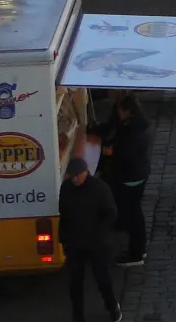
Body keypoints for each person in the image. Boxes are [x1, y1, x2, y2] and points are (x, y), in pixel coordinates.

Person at [89, 93, 152, 267]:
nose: (118, 113)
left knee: (132, 213)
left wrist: (111, 153)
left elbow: (127, 156)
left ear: (127, 111)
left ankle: (136, 253)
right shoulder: (134, 126)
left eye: (120, 110)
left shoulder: (133, 131)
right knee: (134, 212)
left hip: (130, 177)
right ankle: (139, 248)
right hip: (137, 174)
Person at [59, 156, 121, 322]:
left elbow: (111, 214)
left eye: (77, 175)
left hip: (97, 244)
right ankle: (78, 315)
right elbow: (64, 215)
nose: (74, 179)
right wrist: (64, 239)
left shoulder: (100, 188)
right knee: (75, 283)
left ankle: (112, 307)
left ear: (85, 172)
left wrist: (98, 234)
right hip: (75, 243)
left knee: (102, 279)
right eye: (71, 176)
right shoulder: (66, 188)